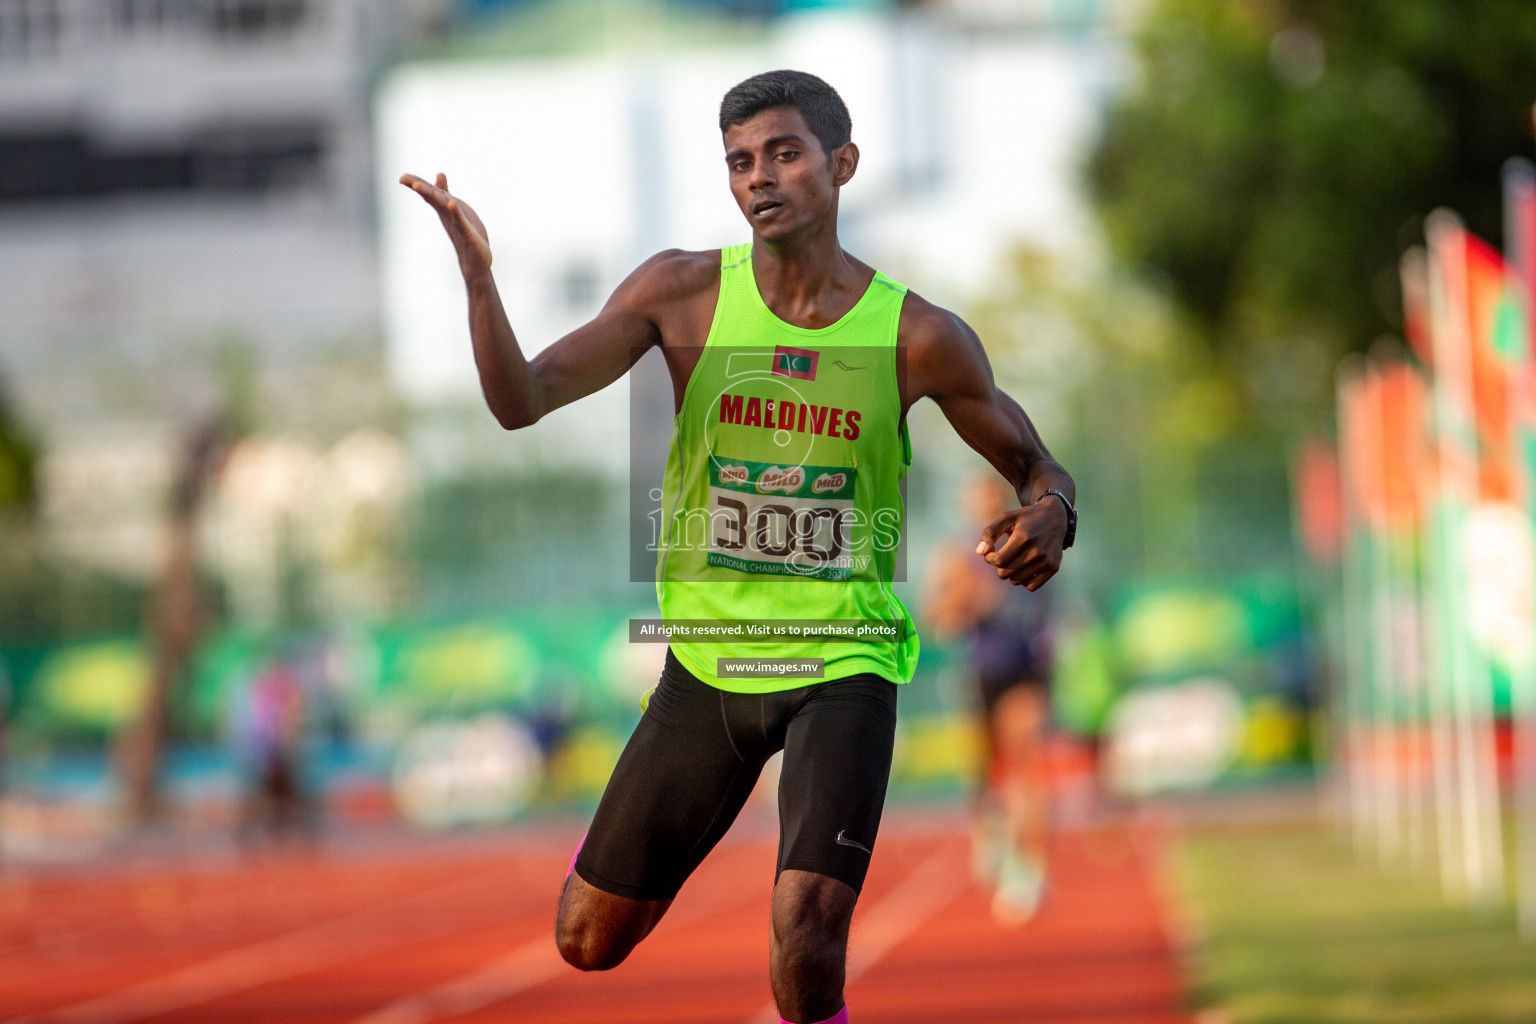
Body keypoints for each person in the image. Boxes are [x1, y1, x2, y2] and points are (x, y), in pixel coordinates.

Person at [402, 69, 1075, 1024]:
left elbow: (1037, 466)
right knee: (584, 940)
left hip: (841, 661)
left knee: (805, 941)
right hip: (709, 669)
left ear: (842, 165)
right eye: (740, 162)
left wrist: (1053, 514)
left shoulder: (917, 336)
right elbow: (523, 400)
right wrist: (480, 278)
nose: (760, 177)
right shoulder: (682, 296)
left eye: (785, 153)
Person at [923, 471, 1058, 925]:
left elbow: (1050, 605)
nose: (980, 512)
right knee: (983, 771)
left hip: (1025, 671)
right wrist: (964, 602)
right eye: (972, 504)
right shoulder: (956, 555)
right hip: (980, 672)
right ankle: (990, 829)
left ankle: (1029, 869)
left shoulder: (1028, 543)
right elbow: (937, 617)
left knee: (1027, 767)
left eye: (987, 503)